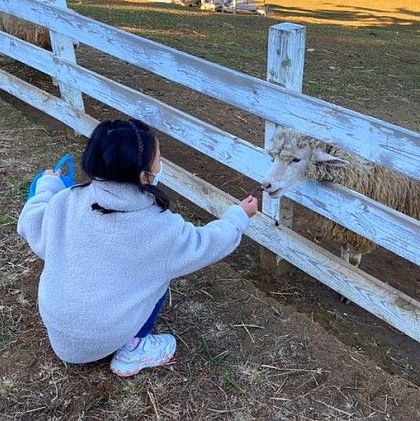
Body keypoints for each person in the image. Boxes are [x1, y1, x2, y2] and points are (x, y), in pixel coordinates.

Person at [17, 119, 258, 377]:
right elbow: (207, 244)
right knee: (160, 276)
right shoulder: (160, 228)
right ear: (144, 175)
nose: (160, 163)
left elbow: (30, 221)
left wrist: (47, 187)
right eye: (158, 158)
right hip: (101, 337)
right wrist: (239, 216)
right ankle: (134, 349)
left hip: (60, 331)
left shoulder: (66, 200)